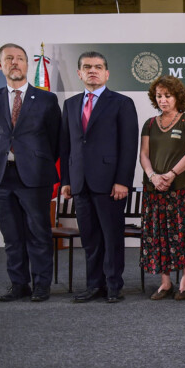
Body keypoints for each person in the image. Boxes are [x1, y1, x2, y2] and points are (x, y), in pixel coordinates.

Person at [0, 43, 60, 302]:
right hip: (3, 175)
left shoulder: (47, 99)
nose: (15, 63)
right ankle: (19, 284)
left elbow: (55, 138)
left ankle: (41, 285)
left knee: (38, 233)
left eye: (20, 58)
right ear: (0, 65)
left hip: (35, 176)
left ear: (27, 64)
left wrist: (35, 159)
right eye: (9, 59)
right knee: (12, 235)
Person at [60, 51, 139, 303]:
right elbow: (66, 146)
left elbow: (129, 146)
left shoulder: (121, 102)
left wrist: (123, 181)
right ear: (79, 73)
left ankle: (113, 285)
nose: (92, 70)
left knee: (112, 237)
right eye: (87, 67)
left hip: (110, 184)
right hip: (80, 183)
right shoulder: (70, 104)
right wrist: (66, 181)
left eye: (98, 67)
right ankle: (94, 285)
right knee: (90, 239)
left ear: (106, 73)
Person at [139, 75, 185, 301]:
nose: (163, 100)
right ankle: (165, 282)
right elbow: (144, 154)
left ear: (178, 97)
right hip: (154, 189)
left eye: (168, 96)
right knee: (160, 235)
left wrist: (170, 174)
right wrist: (152, 176)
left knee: (183, 233)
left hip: (182, 188)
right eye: (159, 96)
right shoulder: (149, 123)